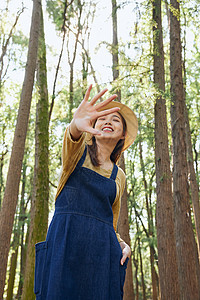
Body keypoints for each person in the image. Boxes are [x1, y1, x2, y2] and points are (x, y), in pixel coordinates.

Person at [34, 85, 138, 300]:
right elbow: (72, 137)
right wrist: (75, 125)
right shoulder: (77, 152)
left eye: (115, 120)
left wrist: (122, 244)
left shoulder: (119, 175)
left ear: (123, 135)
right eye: (102, 118)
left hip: (101, 252)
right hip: (65, 241)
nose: (108, 121)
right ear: (93, 126)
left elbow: (112, 220)